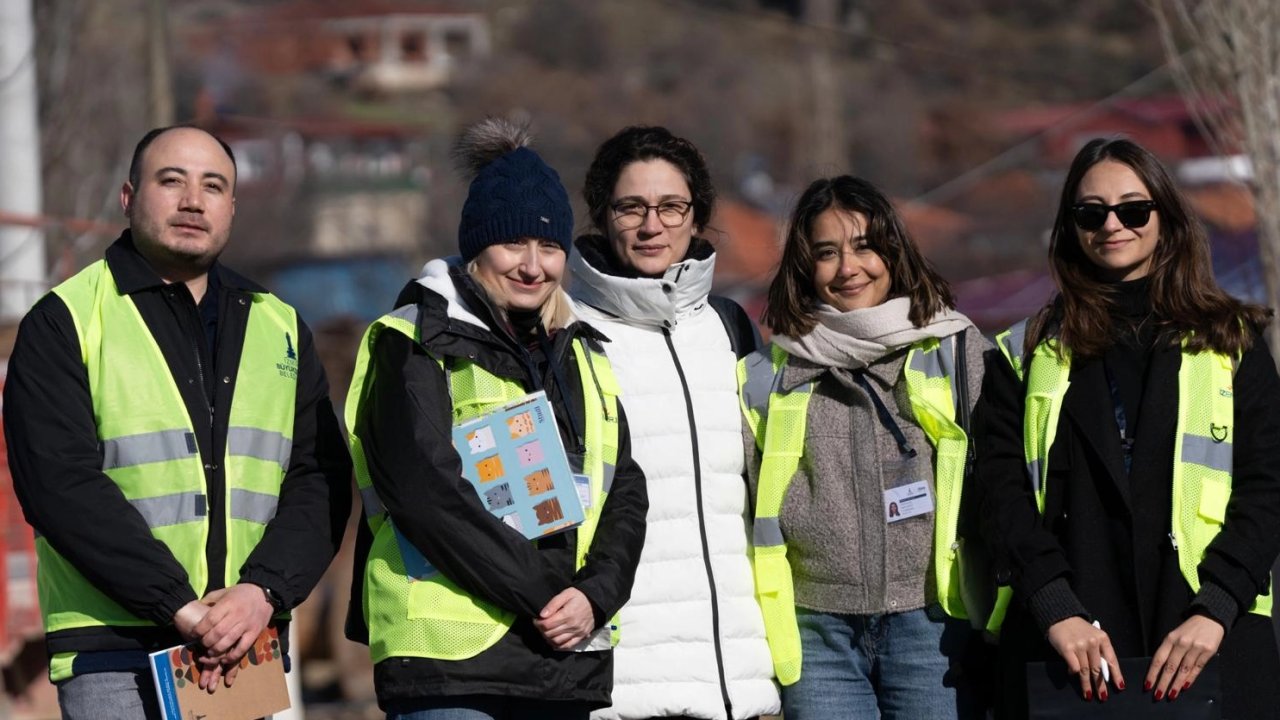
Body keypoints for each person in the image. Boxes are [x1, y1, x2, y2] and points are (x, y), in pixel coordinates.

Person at [2, 125, 353, 719]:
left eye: (213, 186)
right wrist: (180, 606)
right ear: (128, 195)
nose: (194, 200)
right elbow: (59, 487)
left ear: (232, 208)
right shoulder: (65, 322)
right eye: (172, 181)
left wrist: (261, 593)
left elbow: (320, 478)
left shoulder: (280, 326)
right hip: (114, 651)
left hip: (244, 646)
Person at [344, 119, 649, 719]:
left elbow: (625, 488)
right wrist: (546, 594)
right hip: (453, 668)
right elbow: (425, 494)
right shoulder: (414, 341)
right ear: (478, 246)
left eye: (550, 247)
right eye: (513, 244)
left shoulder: (583, 352)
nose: (533, 266)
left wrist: (595, 596)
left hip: (563, 662)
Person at [975, 137, 1280, 718]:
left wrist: (1215, 608)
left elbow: (1267, 488)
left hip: (1208, 639)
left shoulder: (1233, 343)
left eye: (1133, 209)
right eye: (1091, 213)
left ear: (1165, 218)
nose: (1112, 225)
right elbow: (1000, 494)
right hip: (1068, 654)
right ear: (1071, 228)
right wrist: (1055, 608)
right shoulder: (1023, 352)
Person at [738, 175, 990, 719]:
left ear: (894, 252)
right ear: (805, 267)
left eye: (864, 246)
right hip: (815, 634)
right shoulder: (765, 375)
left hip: (933, 626)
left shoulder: (958, 351)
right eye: (826, 253)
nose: (848, 268)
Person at [568, 125, 779, 720]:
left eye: (671, 207)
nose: (651, 225)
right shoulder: (568, 332)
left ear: (697, 217)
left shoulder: (731, 327)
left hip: (735, 677)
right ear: (604, 216)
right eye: (631, 206)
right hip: (621, 679)